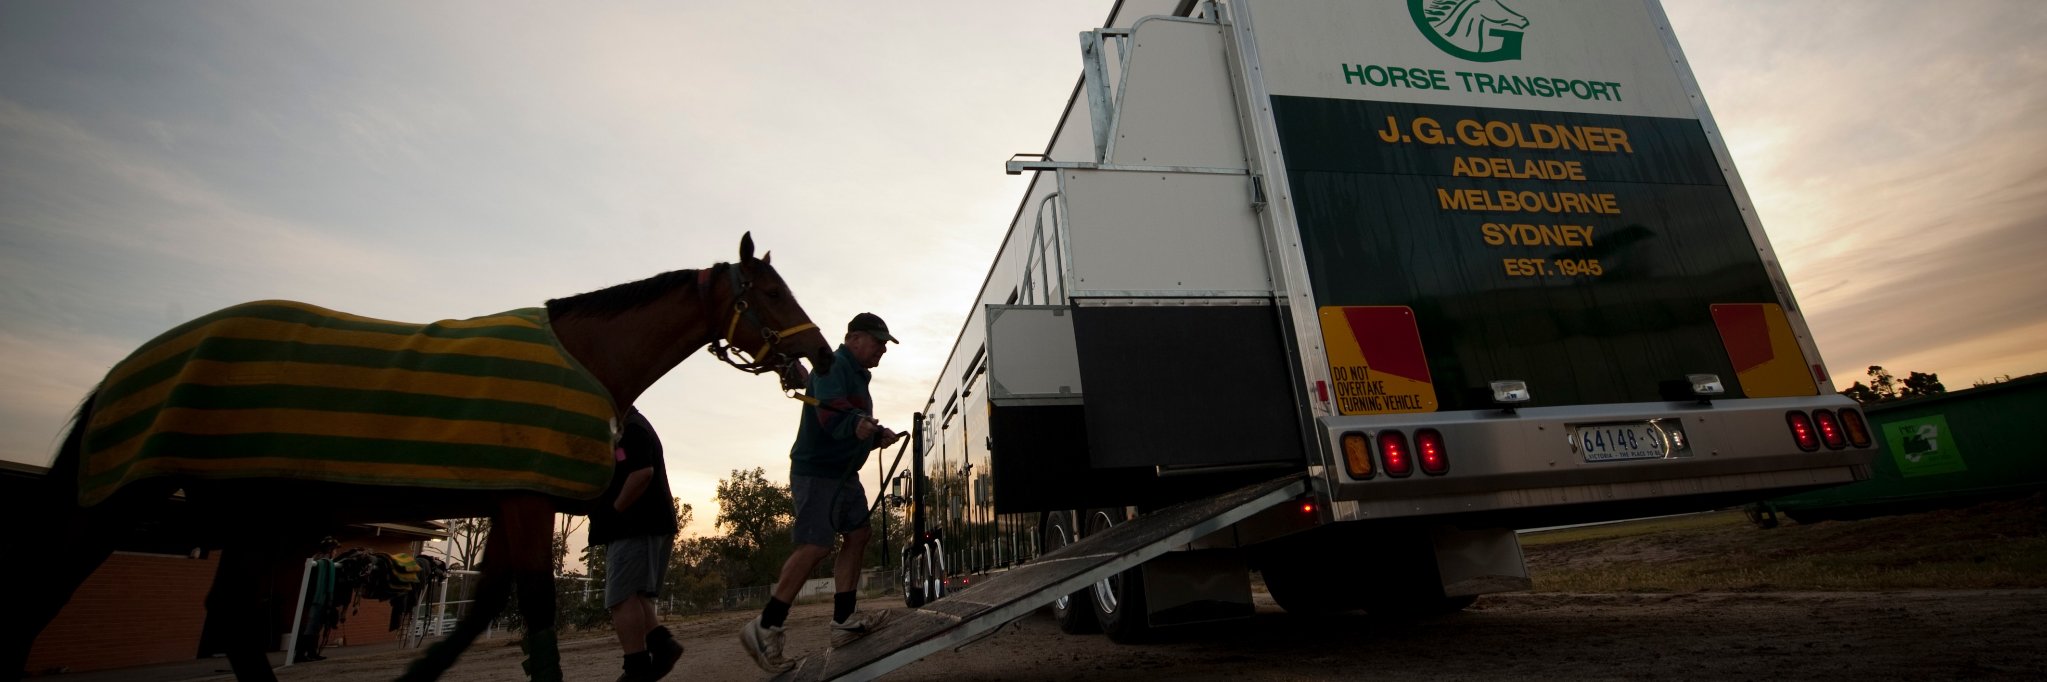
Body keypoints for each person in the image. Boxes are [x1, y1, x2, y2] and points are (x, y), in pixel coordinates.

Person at [739, 313, 903, 673]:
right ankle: (765, 626)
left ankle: (843, 622)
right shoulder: (831, 364)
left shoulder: (857, 375)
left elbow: (849, 418)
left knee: (859, 534)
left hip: (843, 473)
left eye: (884, 345)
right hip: (817, 472)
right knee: (814, 545)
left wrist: (875, 434)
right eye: (878, 342)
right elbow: (832, 417)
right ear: (855, 338)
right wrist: (856, 425)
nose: (882, 350)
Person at [589, 408, 685, 682]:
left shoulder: (630, 427)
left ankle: (636, 668)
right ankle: (662, 645)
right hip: (645, 525)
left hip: (636, 526)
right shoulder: (626, 426)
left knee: (621, 598)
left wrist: (612, 514)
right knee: (636, 594)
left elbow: (642, 472)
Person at [292, 537, 339, 663]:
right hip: (317, 598)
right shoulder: (321, 562)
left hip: (316, 598)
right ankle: (300, 654)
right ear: (330, 550)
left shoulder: (320, 560)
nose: (335, 553)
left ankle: (312, 652)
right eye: (334, 550)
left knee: (316, 626)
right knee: (310, 627)